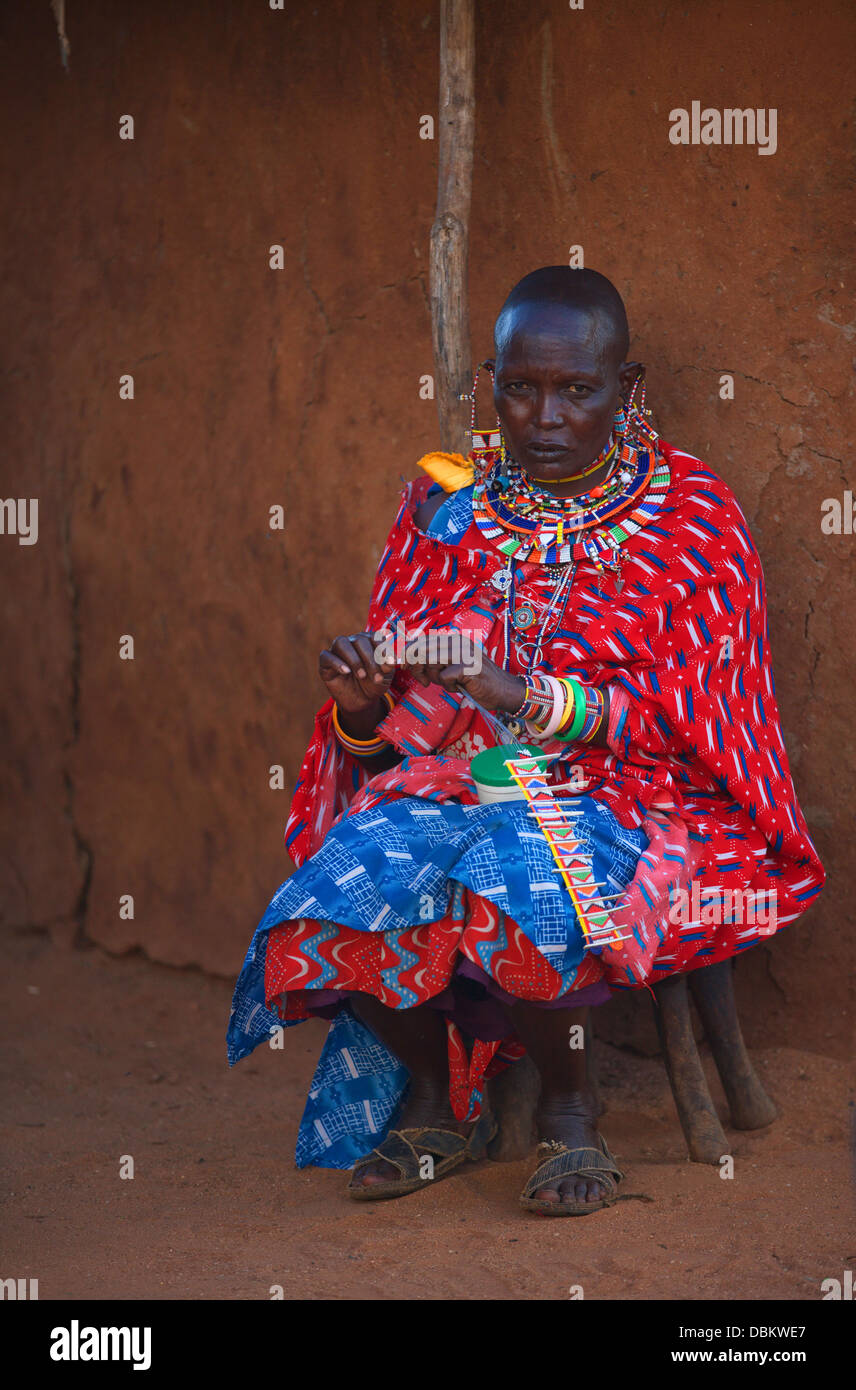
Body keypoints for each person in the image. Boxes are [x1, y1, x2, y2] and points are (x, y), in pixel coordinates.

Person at [227, 266, 824, 1216]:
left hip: (649, 800)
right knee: (345, 877)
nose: (544, 417)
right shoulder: (446, 513)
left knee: (523, 867)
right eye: (521, 388)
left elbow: (695, 722)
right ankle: (433, 1103)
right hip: (458, 783)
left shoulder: (691, 519)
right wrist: (365, 709)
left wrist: (527, 697)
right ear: (488, 387)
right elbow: (388, 752)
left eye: (576, 391)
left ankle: (571, 1112)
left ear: (625, 390)